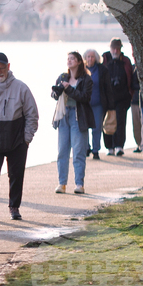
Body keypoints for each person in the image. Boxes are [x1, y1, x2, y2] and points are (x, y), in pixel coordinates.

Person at [0, 53, 38, 222]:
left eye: (2, 68)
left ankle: (14, 207)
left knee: (16, 174)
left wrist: (27, 138)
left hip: (17, 139)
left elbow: (32, 114)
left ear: (8, 67)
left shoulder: (21, 87)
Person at [52, 52, 94, 195]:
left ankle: (79, 184)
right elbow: (55, 95)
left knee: (78, 152)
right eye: (68, 58)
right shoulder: (63, 76)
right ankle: (62, 183)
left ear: (78, 62)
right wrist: (55, 92)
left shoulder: (86, 79)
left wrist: (69, 89)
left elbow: (85, 97)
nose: (69, 61)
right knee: (62, 151)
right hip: (63, 115)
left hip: (78, 116)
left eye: (72, 59)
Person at [101, 38, 133, 156]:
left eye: (117, 48)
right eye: (113, 48)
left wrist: (129, 94)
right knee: (107, 121)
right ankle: (109, 147)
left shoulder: (125, 61)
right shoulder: (104, 59)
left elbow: (129, 77)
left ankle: (119, 146)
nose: (115, 50)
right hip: (107, 97)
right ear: (110, 49)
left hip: (122, 97)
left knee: (120, 121)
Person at [83, 49, 109, 160]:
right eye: (88, 56)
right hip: (85, 104)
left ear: (96, 58)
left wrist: (109, 104)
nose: (90, 59)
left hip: (98, 104)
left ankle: (96, 150)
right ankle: (86, 147)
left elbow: (107, 87)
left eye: (92, 56)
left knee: (97, 128)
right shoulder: (82, 71)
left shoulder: (102, 69)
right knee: (84, 127)